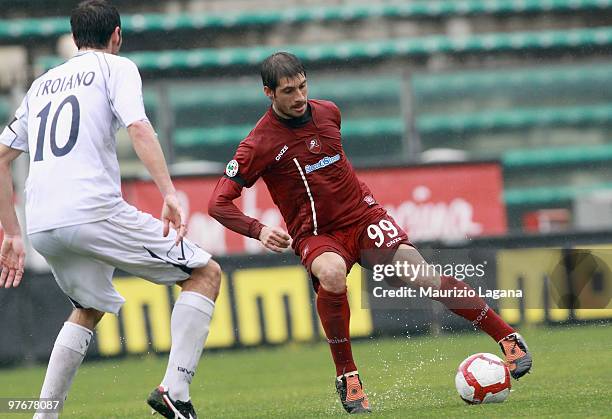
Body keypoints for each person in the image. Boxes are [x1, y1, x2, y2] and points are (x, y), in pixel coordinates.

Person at [208, 52, 532, 414]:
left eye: (302, 86)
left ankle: (507, 336)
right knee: (331, 274)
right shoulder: (259, 144)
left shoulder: (329, 111)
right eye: (288, 91)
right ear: (268, 93)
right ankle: (348, 376)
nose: (299, 97)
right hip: (318, 233)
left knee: (420, 275)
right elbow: (218, 204)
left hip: (363, 216)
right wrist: (259, 229)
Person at [0, 2, 219, 418]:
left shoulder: (43, 82)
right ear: (116, 35)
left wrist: (12, 232)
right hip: (92, 210)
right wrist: (169, 192)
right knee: (205, 273)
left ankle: (43, 414)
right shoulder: (116, 68)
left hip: (43, 222)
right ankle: (176, 390)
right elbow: (138, 126)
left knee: (88, 305)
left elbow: (1, 157)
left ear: (75, 35)